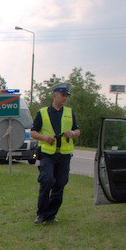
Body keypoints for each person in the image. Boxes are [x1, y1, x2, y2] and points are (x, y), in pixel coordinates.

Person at [30, 82, 81, 224]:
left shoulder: (69, 113)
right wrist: (44, 138)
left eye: (66, 96)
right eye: (62, 95)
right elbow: (33, 132)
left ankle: (50, 215)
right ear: (54, 95)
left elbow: (78, 131)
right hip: (47, 153)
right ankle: (41, 213)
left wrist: (72, 133)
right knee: (46, 180)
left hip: (64, 155)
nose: (65, 98)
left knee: (60, 184)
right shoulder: (43, 112)